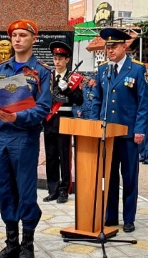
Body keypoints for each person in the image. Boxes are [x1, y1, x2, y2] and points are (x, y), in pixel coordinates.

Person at [0, 19, 51, 258]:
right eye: (14, 35)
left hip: (24, 138)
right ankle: (11, 243)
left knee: (26, 191)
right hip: (0, 139)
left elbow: (43, 109)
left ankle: (27, 244)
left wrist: (16, 118)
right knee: (5, 191)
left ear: (33, 39)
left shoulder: (41, 71)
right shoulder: (2, 70)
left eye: (22, 35)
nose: (17, 39)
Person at [90, 28, 148, 234]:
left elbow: (143, 102)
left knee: (130, 176)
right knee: (110, 177)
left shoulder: (136, 70)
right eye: (107, 46)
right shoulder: (103, 70)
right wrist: (94, 125)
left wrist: (140, 129)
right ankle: (111, 215)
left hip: (128, 132)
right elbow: (97, 99)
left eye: (114, 46)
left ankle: (129, 218)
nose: (110, 50)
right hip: (108, 133)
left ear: (125, 46)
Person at [42, 41, 83, 204]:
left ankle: (64, 190)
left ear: (67, 60)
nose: (57, 61)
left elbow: (79, 101)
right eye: (55, 58)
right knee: (51, 156)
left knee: (64, 156)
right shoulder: (48, 77)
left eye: (60, 58)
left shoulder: (74, 79)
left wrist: (67, 89)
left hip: (65, 120)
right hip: (50, 120)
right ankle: (52, 189)